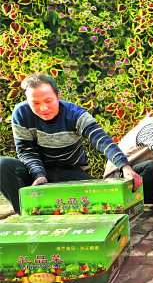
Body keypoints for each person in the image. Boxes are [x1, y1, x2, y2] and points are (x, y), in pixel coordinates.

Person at [0, 73, 142, 213]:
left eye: (48, 101)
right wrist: (38, 174)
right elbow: (26, 150)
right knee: (3, 165)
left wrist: (125, 166)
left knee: (98, 204)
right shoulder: (21, 114)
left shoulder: (75, 114)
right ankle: (27, 213)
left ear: (58, 96)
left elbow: (101, 140)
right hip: (35, 173)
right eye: (35, 103)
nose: (43, 108)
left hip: (69, 172)